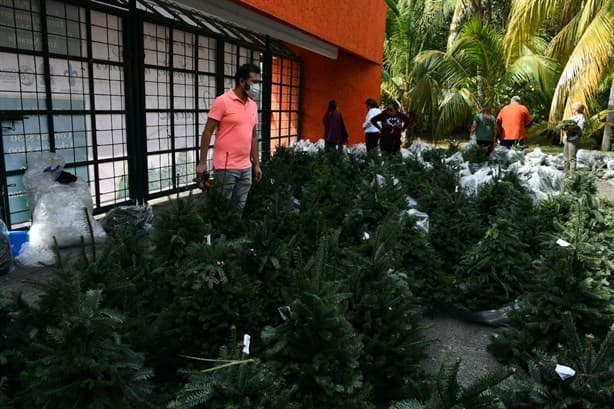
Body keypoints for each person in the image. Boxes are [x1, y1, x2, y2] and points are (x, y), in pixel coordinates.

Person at [195, 63, 263, 209]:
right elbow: (208, 131)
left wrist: (256, 164)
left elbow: (253, 136)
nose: (258, 87)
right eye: (255, 82)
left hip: (246, 167)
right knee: (222, 210)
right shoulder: (223, 101)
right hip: (225, 168)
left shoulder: (253, 105)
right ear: (242, 81)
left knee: (238, 209)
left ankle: (233, 233)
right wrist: (202, 163)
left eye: (259, 82)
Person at [563, 102, 586, 171]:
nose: (572, 110)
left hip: (574, 139)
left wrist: (571, 128)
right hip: (568, 138)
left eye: (573, 109)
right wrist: (565, 135)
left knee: (572, 157)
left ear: (576, 109)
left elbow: (579, 129)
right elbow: (567, 128)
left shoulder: (581, 118)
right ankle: (565, 171)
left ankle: (572, 173)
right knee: (565, 156)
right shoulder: (572, 117)